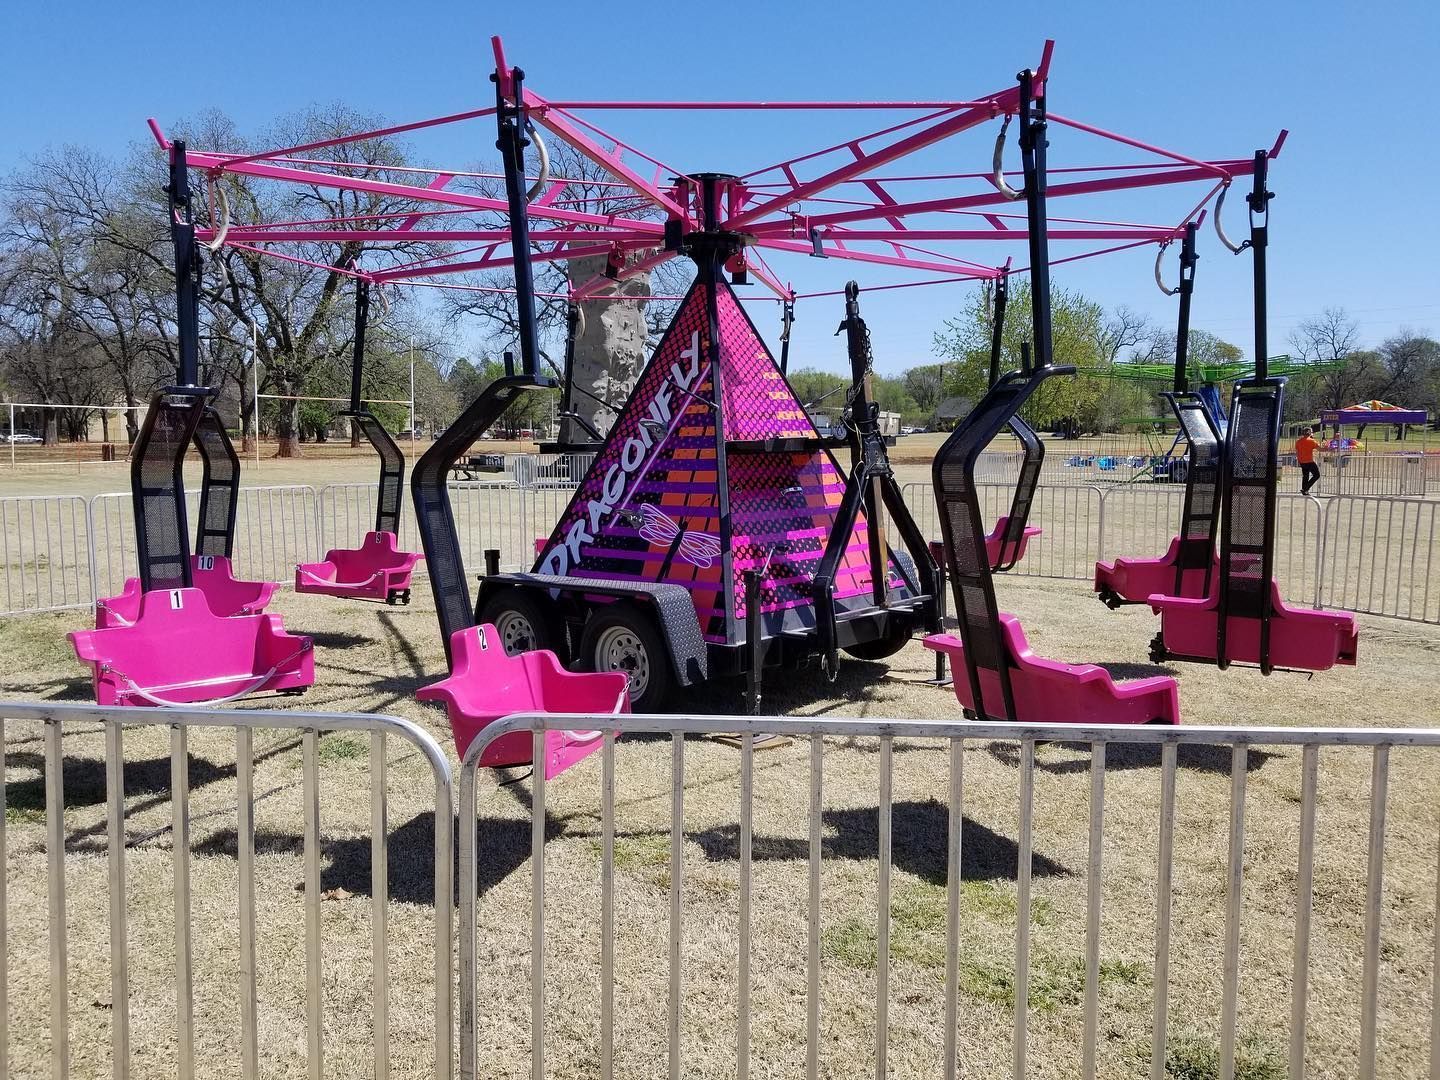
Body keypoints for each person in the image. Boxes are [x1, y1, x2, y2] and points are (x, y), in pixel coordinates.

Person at [1295, 426, 1321, 494]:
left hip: (1302, 461)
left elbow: (1297, 451)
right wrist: (1329, 448)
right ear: (1309, 433)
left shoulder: (1298, 441)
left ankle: (1304, 490)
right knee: (1317, 475)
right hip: (1309, 461)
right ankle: (1306, 488)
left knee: (1305, 476)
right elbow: (1320, 449)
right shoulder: (1311, 441)